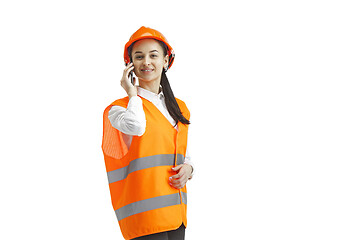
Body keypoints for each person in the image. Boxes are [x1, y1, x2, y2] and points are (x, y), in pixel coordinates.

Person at [101, 26, 194, 240]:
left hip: (176, 213)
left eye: (154, 55)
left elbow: (182, 151)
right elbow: (137, 127)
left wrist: (189, 169)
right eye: (139, 56)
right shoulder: (118, 108)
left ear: (166, 60)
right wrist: (132, 93)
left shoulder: (179, 108)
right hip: (143, 220)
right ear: (130, 64)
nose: (146, 62)